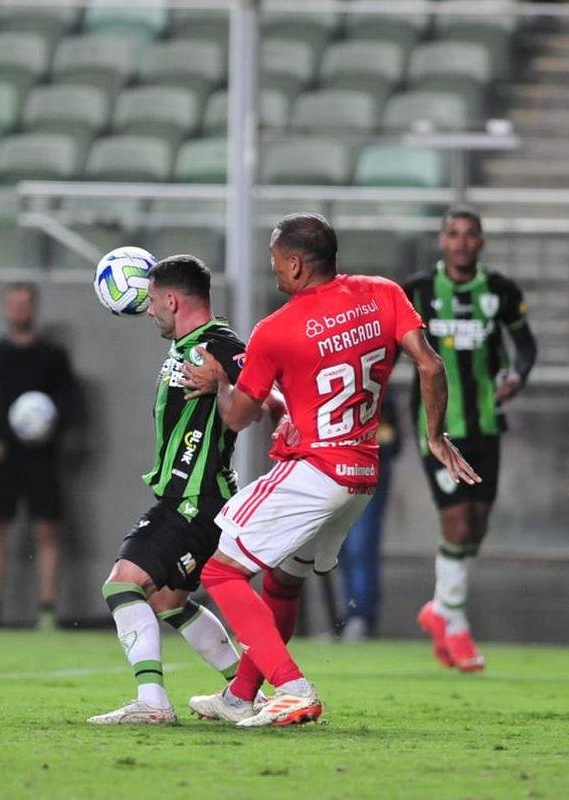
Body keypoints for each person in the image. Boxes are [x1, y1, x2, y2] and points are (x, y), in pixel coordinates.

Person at [182, 214, 479, 727]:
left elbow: (239, 416)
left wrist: (219, 384)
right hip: (362, 473)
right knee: (282, 583)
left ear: (295, 264)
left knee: (218, 567)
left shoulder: (275, 329)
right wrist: (435, 436)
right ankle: (238, 697)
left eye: (275, 261)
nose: (272, 270)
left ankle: (293, 686)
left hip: (314, 468)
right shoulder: (383, 293)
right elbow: (430, 365)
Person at [87, 254, 262, 725]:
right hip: (191, 497)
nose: (147, 311)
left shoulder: (220, 345)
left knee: (123, 584)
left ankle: (152, 704)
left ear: (171, 299)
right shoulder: (193, 343)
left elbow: (263, 403)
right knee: (167, 601)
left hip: (194, 499)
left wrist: (225, 382)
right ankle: (242, 691)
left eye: (152, 301)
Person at [400, 206, 537, 672]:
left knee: (476, 526)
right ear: (442, 240)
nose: (460, 242)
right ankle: (455, 624)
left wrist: (517, 375)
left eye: (469, 235)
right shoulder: (417, 291)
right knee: (457, 525)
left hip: (486, 425)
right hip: (439, 431)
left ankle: (438, 609)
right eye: (453, 234)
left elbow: (526, 345)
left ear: (481, 242)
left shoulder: (500, 291)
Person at [0, 282, 76, 629]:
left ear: (34, 307)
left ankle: (47, 610)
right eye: (13, 304)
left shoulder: (53, 354)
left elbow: (69, 404)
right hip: (3, 456)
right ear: (4, 308)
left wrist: (51, 434)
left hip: (42, 456)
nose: (19, 310)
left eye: (25, 304)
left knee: (48, 530)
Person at [337, 391, 401, 641]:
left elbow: (390, 439)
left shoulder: (376, 388)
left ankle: (361, 616)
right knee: (342, 547)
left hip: (366, 468)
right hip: (334, 467)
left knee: (360, 544)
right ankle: (353, 613)